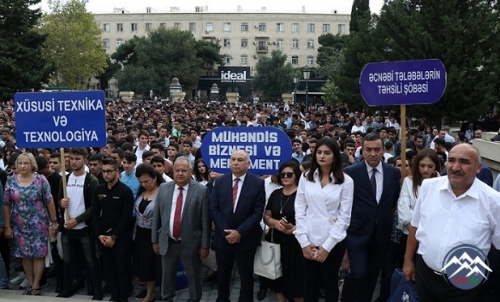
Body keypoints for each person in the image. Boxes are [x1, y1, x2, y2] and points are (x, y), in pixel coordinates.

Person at [403, 143, 500, 301]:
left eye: (464, 162)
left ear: (478, 167)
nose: (455, 167)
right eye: (452, 160)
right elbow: (415, 226)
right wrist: (408, 261)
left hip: (465, 282)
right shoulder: (428, 188)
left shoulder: (493, 201)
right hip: (425, 275)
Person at [341, 133, 401, 302]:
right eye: (368, 150)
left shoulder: (393, 173)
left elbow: (393, 201)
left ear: (383, 151)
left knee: (371, 278)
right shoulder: (350, 173)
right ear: (362, 151)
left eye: (377, 149)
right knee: (357, 274)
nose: (373, 153)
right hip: (356, 234)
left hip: (381, 235)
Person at [294, 138, 354, 302]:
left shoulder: (346, 181)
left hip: (333, 239)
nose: (322, 156)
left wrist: (327, 247)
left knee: (330, 283)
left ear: (335, 155)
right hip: (308, 237)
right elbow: (300, 209)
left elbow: (344, 217)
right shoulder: (306, 177)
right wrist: (304, 242)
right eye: (319, 152)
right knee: (310, 282)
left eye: (327, 153)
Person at [152, 157, 211, 302]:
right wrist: (154, 240)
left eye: (184, 170)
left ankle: (194, 299)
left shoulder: (201, 190)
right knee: (167, 277)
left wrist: (205, 245)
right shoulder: (164, 188)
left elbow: (206, 221)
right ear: (172, 171)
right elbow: (157, 217)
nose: (180, 173)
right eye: (177, 170)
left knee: (193, 277)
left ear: (190, 171)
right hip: (168, 242)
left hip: (191, 243)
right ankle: (167, 298)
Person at [209, 150, 266, 302]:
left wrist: (239, 232)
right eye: (233, 159)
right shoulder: (220, 182)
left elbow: (257, 212)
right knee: (223, 274)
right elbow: (213, 208)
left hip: (246, 238)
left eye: (240, 160)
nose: (235, 162)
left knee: (246, 275)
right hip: (223, 237)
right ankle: (222, 298)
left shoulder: (258, 183)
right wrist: (225, 232)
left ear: (248, 164)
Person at [3, 153, 59, 296]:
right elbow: (6, 204)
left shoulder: (40, 180)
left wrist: (54, 221)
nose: (22, 166)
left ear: (32, 164)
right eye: (20, 163)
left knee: (38, 254)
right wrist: (8, 226)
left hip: (38, 223)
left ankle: (36, 285)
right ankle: (30, 281)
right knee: (25, 255)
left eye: (26, 163)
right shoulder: (11, 181)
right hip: (19, 224)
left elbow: (49, 200)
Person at [57, 148, 103, 300]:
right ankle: (69, 287)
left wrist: (77, 220)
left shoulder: (91, 180)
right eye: (71, 158)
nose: (73, 161)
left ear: (85, 160)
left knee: (91, 260)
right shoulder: (65, 178)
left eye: (77, 158)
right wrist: (61, 202)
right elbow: (58, 198)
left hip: (83, 227)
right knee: (68, 260)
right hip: (67, 227)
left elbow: (93, 207)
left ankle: (96, 289)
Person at [92, 157, 134, 302]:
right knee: (108, 269)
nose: (106, 174)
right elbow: (95, 213)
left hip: (121, 236)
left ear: (117, 171)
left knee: (122, 268)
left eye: (109, 171)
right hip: (103, 235)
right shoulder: (99, 189)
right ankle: (114, 295)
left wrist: (114, 236)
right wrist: (99, 235)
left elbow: (126, 217)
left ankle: (124, 296)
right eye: (103, 171)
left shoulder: (125, 191)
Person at [263, 161, 305, 302]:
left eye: (289, 174)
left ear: (296, 176)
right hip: (276, 241)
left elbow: (311, 218)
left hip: (297, 244)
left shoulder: (303, 194)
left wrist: (293, 229)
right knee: (278, 278)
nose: (285, 176)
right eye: (282, 174)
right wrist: (274, 223)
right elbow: (266, 215)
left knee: (297, 281)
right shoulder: (275, 194)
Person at [397, 149, 440, 256]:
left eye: (430, 166)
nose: (426, 170)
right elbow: (404, 208)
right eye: (422, 166)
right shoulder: (409, 182)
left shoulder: (441, 184)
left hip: (432, 236)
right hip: (410, 233)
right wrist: (415, 233)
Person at [133, 164, 165, 302]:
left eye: (147, 181)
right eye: (141, 182)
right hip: (140, 232)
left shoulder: (162, 193)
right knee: (143, 263)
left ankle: (151, 293)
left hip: (154, 233)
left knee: (151, 264)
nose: (145, 184)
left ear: (155, 178)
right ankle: (147, 289)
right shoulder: (142, 193)